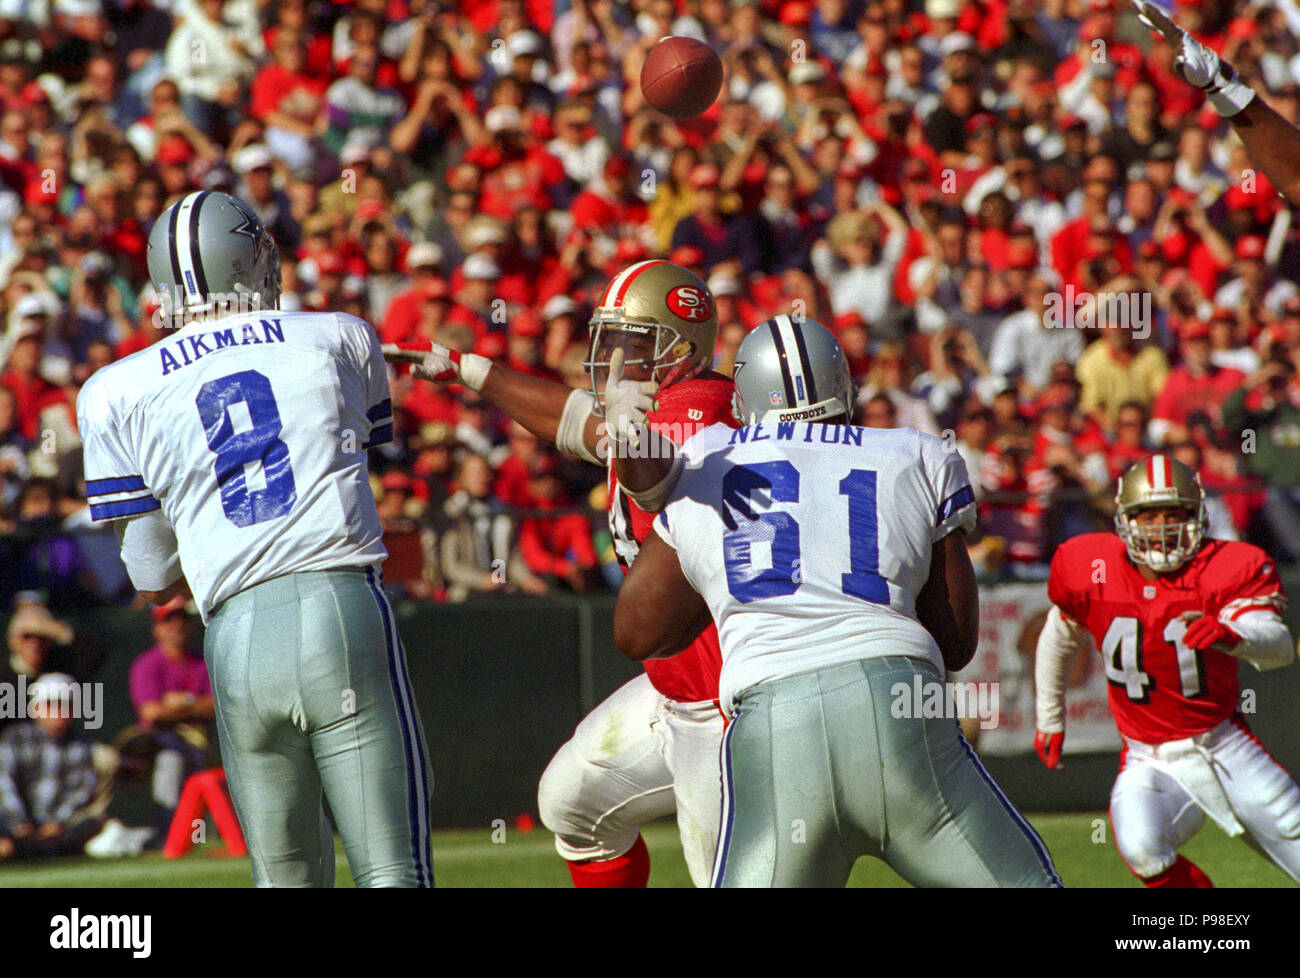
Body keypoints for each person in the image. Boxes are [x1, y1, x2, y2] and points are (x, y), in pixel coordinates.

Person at [613, 316, 1062, 888]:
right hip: (900, 707)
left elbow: (636, 633)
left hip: (773, 724)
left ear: (745, 396)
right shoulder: (916, 453)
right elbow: (955, 642)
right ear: (843, 386)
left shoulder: (707, 458)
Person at [75, 190, 432, 888]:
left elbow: (149, 574)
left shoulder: (114, 389)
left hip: (233, 641)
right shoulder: (338, 334)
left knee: (286, 882)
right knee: (393, 870)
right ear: (250, 258)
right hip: (340, 610)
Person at [387, 260, 732, 887]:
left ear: (683, 350)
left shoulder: (699, 411)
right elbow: (576, 425)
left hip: (726, 703)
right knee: (574, 802)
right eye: (612, 341)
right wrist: (471, 370)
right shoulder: (660, 409)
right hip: (677, 689)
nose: (615, 358)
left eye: (635, 343)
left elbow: (648, 466)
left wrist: (624, 437)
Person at [1034, 455, 1300, 887]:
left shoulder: (1226, 566)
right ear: (1124, 520)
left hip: (1224, 745)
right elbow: (1059, 635)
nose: (1161, 527)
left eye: (1174, 514)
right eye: (1148, 514)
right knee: (1142, 844)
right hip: (1147, 757)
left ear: (1196, 516)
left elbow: (1280, 647)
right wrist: (1049, 716)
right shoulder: (1091, 567)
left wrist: (1232, 634)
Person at [0, 674, 104, 861]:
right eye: (51, 704)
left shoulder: (80, 746)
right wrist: (20, 824)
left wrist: (56, 823)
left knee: (95, 823)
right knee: (5, 847)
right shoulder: (14, 738)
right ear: (36, 708)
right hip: (12, 826)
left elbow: (80, 791)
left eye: (67, 704)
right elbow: (4, 785)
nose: (60, 711)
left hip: (58, 829)